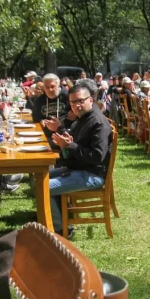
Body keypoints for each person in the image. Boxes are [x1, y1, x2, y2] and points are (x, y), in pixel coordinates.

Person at [42, 79, 111, 235]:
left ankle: (62, 230)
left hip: (92, 175)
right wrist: (61, 131)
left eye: (80, 101)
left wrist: (69, 146)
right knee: (40, 177)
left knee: (44, 187)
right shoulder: (82, 118)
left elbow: (97, 157)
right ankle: (50, 214)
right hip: (78, 168)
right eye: (73, 102)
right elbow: (73, 139)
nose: (76, 106)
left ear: (91, 100)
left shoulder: (98, 123)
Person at [31, 73, 74, 148]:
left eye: (52, 86)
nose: (50, 89)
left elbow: (75, 117)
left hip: (64, 135)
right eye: (47, 87)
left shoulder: (68, 97)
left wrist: (62, 122)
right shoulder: (39, 100)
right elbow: (35, 118)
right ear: (43, 87)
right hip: (46, 136)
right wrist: (41, 120)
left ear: (58, 85)